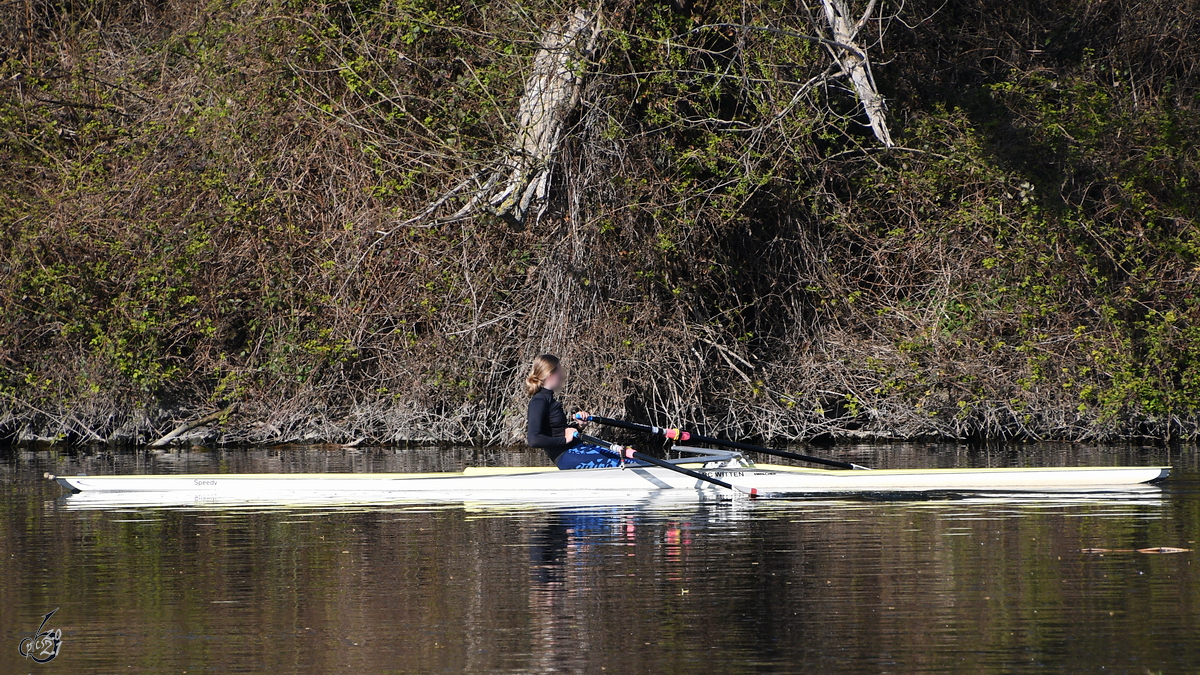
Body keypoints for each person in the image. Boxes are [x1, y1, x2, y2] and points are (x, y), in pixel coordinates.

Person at [524, 354, 644, 470]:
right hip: (566, 456)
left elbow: (558, 431)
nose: (563, 375)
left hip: (577, 449)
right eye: (560, 370)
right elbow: (534, 440)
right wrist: (565, 440)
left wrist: (579, 426)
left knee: (628, 455)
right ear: (551, 374)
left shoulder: (549, 399)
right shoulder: (539, 401)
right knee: (626, 461)